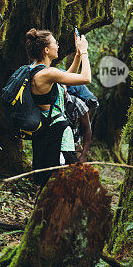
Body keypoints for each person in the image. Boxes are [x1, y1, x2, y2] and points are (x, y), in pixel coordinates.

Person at [25, 28, 91, 186]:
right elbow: (86, 78)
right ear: (46, 50)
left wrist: (76, 56)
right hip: (58, 136)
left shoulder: (36, 71)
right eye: (55, 43)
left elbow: (66, 78)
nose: (58, 45)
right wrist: (84, 52)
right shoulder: (48, 74)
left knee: (51, 185)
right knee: (63, 184)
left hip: (46, 133)